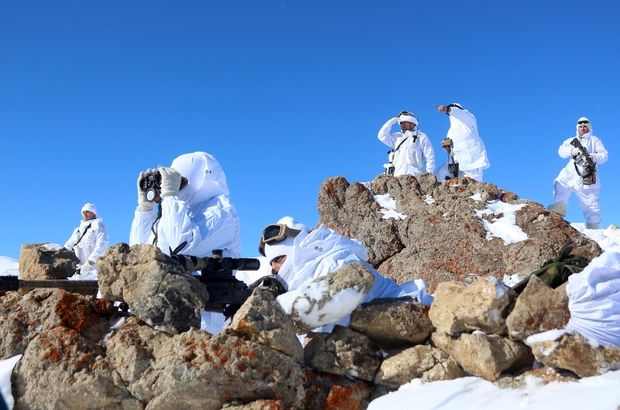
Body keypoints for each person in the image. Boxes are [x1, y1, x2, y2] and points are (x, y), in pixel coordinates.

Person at [258, 216, 433, 333]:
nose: (275, 271)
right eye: (271, 266)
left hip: (415, 325)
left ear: (298, 247)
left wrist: (276, 309)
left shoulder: (337, 260)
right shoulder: (310, 274)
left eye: (279, 259)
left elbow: (339, 300)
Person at [130, 151, 241, 258]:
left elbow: (181, 248)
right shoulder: (178, 212)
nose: (176, 188)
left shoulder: (223, 212)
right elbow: (138, 254)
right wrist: (145, 209)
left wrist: (170, 196)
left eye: (179, 182)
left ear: (200, 179)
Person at [547, 117, 608, 229]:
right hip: (571, 171)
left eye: (585, 126)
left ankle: (593, 226)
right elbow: (561, 151)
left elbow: (604, 156)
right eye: (580, 126)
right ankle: (560, 207)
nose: (583, 128)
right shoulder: (571, 140)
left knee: (591, 201)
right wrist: (572, 151)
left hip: (587, 173)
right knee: (560, 183)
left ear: (589, 128)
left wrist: (592, 157)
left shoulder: (595, 141)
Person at [434, 103, 490, 182]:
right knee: (440, 173)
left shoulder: (468, 119)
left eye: (452, 108)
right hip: (456, 161)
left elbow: (462, 114)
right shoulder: (451, 131)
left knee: (474, 185)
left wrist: (447, 109)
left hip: (472, 161)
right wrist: (445, 147)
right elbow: (451, 148)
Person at [377, 110, 435, 177]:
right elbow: (382, 136)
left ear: (413, 124)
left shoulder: (421, 137)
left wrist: (429, 172)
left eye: (406, 122)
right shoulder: (397, 136)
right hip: (397, 174)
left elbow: (429, 156)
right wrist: (388, 124)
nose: (403, 125)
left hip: (414, 174)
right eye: (401, 123)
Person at [64, 203, 109, 277]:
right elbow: (68, 246)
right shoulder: (77, 230)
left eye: (87, 212)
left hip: (93, 270)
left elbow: (101, 247)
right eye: (83, 212)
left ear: (94, 213)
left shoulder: (100, 228)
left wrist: (89, 264)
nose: (85, 214)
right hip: (76, 269)